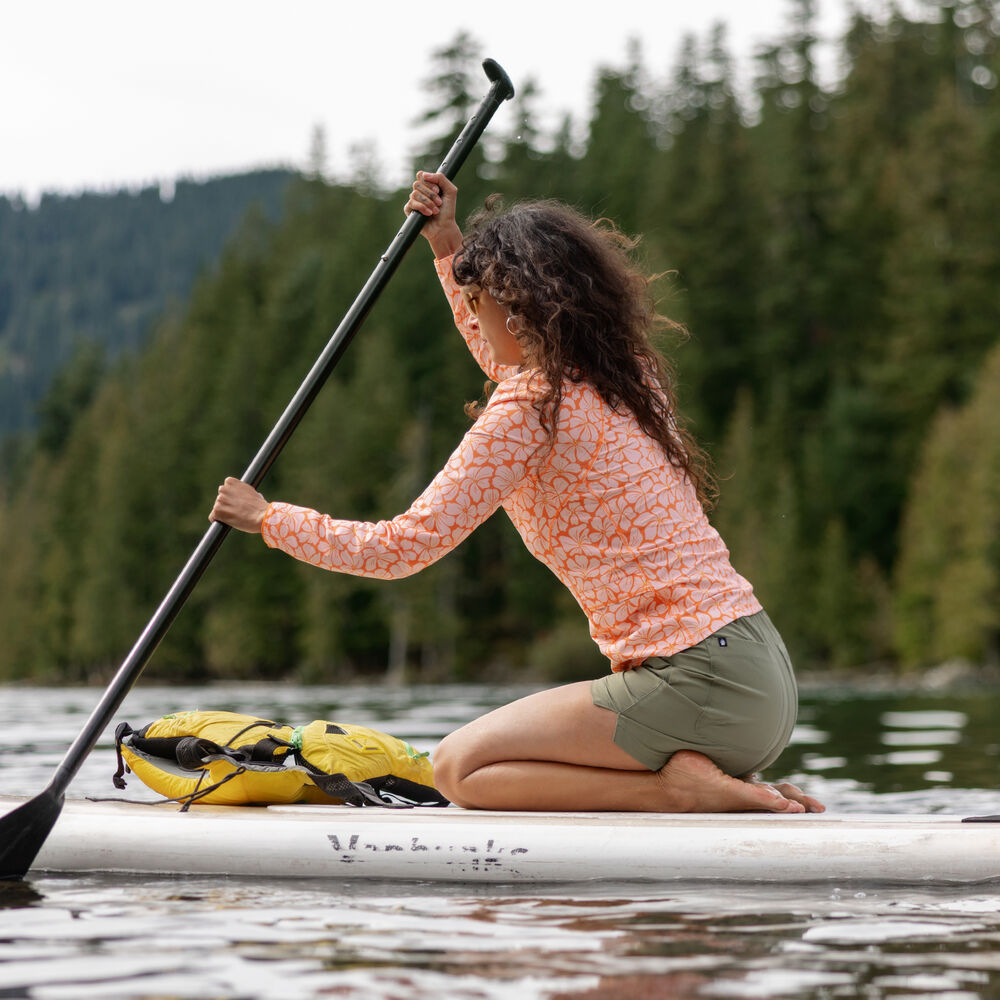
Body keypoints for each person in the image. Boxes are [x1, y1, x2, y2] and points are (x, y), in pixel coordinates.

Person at [210, 172, 824, 815]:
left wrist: (269, 518)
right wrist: (446, 244)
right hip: (760, 675)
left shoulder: (529, 408)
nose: (473, 316)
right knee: (475, 760)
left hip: (698, 685)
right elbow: (502, 353)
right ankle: (708, 780)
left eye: (479, 301)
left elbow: (400, 548)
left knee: (459, 768)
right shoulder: (628, 378)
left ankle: (676, 791)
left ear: (518, 307)